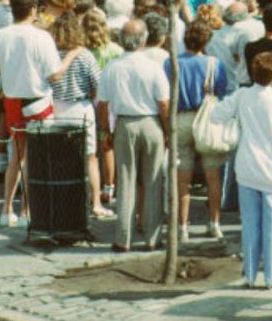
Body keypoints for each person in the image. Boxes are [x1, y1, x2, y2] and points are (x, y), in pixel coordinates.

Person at [0, 0, 65, 229]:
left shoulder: (0, 36)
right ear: (33, 10)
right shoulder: (42, 37)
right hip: (38, 102)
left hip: (12, 100)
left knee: (17, 156)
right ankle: (26, 210)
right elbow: (55, 75)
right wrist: (70, 59)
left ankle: (6, 209)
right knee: (34, 159)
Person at [212, 51, 272, 289]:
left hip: (247, 167)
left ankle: (250, 274)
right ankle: (271, 275)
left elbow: (216, 114)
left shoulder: (242, 96)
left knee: (250, 225)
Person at [95, 18, 170, 252]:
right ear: (144, 39)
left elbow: (103, 105)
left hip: (125, 123)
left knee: (125, 180)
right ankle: (152, 237)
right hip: (151, 122)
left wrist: (106, 130)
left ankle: (123, 237)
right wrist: (167, 131)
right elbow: (164, 104)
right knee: (153, 181)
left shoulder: (112, 68)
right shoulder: (153, 67)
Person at [169, 19, 232, 238]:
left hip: (182, 118)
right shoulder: (215, 64)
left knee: (182, 177)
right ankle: (214, 223)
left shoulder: (171, 63)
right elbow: (221, 92)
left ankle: (182, 226)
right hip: (207, 119)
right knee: (213, 177)